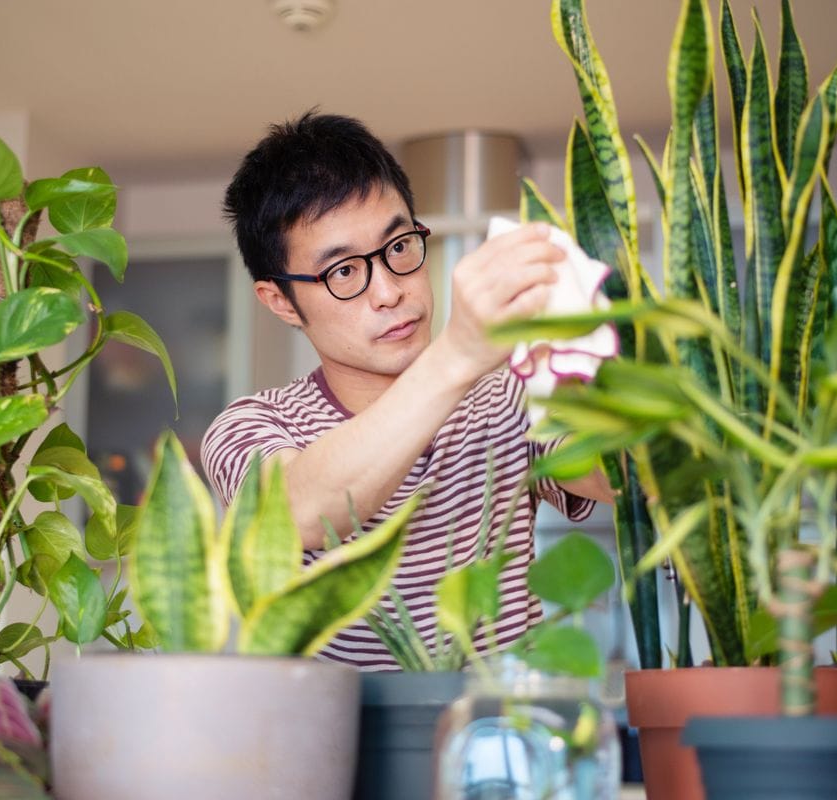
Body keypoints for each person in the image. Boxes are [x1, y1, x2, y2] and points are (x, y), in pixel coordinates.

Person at [201, 111, 613, 670]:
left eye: (398, 248)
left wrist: (587, 347)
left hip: (502, 739)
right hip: (339, 743)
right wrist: (460, 355)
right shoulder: (252, 425)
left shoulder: (509, 397)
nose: (390, 291)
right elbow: (297, 511)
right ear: (279, 300)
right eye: (343, 272)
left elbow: (628, 478)